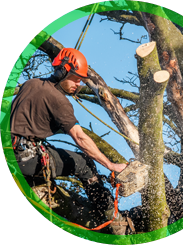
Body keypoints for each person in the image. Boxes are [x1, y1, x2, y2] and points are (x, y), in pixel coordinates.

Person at [8, 48, 128, 244]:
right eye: (75, 78)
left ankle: (26, 233)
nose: (78, 84)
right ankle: (113, 221)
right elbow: (80, 138)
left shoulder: (30, 84)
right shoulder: (59, 101)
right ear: (62, 72)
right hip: (26, 157)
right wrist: (111, 166)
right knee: (84, 163)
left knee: (39, 184)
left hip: (7, 157)